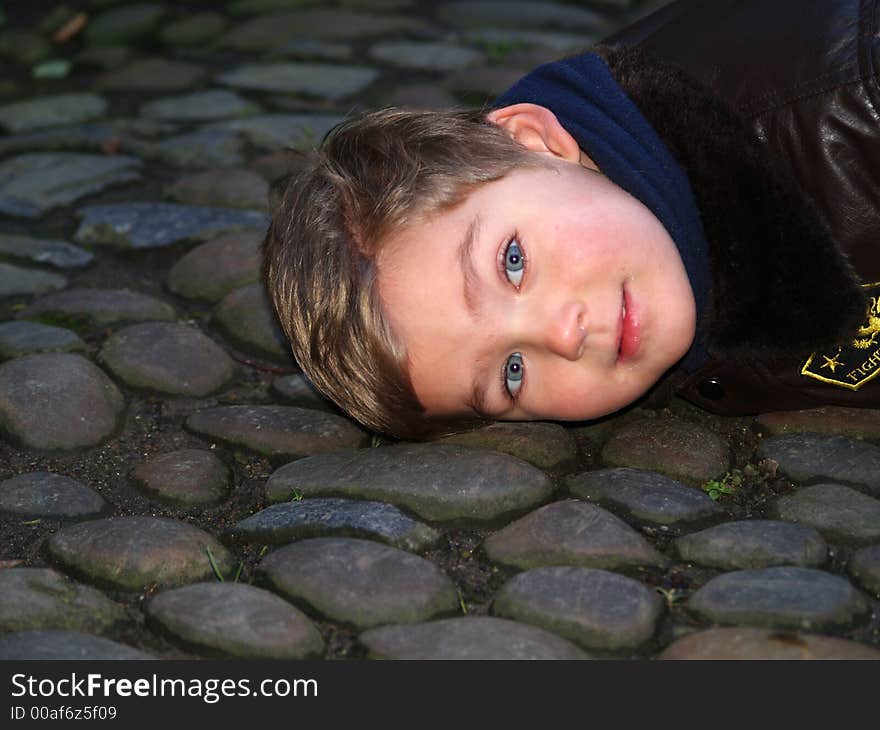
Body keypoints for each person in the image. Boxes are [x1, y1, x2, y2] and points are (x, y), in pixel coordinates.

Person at [263, 0, 880, 440]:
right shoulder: (659, 244)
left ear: (538, 140)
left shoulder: (851, 103)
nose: (562, 337)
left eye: (512, 263)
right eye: (511, 373)